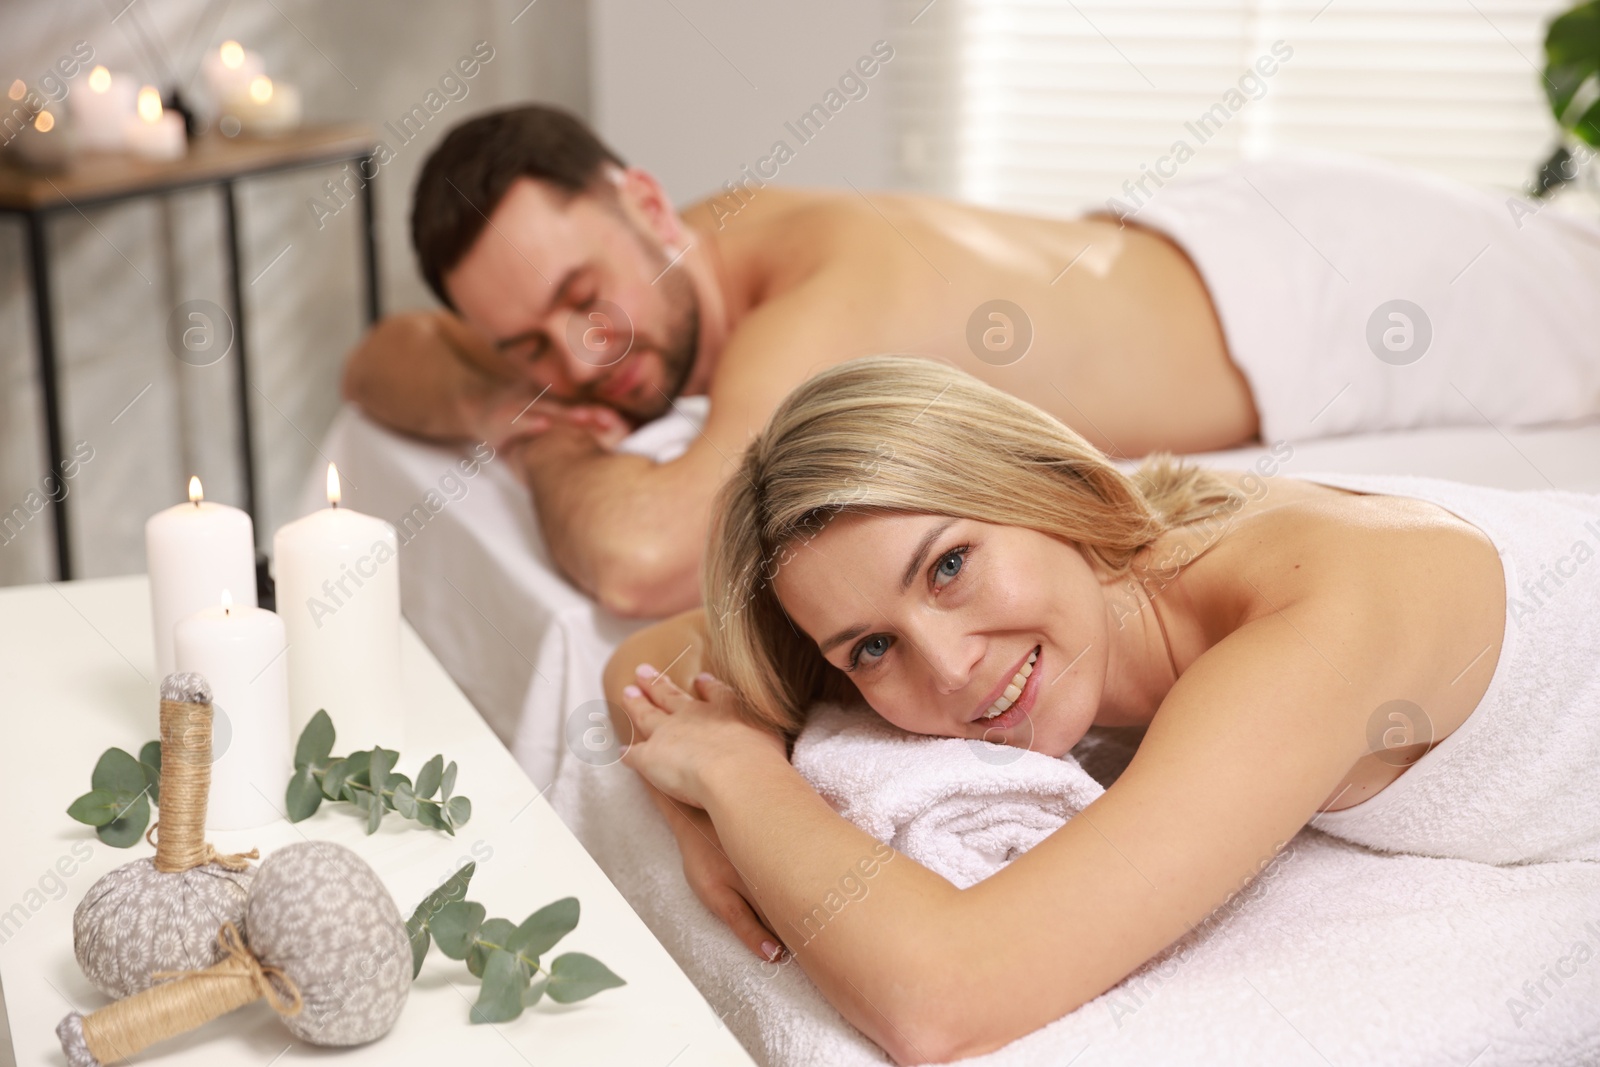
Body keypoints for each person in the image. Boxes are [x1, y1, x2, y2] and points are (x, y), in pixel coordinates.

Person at [603, 356, 1600, 1063]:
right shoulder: (1080, 538)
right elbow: (650, 658)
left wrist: (735, 785)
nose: (948, 669)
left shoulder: (1314, 622)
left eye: (949, 566)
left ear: (1039, 483)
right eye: (872, 645)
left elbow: (945, 999)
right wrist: (688, 806)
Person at [342, 105, 1600, 619]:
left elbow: (644, 553)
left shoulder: (811, 293)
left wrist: (535, 433)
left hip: (1335, 284)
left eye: (583, 300)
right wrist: (505, 378)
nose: (581, 356)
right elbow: (377, 361)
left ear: (651, 209)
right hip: (1196, 236)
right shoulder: (668, 276)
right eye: (529, 341)